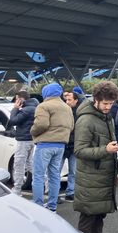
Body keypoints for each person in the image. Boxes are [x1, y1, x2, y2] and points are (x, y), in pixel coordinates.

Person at [73, 81, 118, 233]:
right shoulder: (86, 120)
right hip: (90, 179)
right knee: (88, 218)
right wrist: (106, 150)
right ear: (95, 99)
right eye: (105, 104)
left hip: (103, 176)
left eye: (111, 104)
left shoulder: (105, 117)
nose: (108, 107)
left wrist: (115, 171)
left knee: (98, 216)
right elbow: (79, 151)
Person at [30, 82, 74, 213]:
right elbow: (71, 126)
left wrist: (32, 131)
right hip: (60, 145)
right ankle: (52, 206)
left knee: (38, 176)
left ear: (46, 93)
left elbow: (41, 125)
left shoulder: (43, 106)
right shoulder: (67, 107)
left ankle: (38, 205)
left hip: (44, 145)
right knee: (54, 176)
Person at [8, 90, 38, 195]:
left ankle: (17, 190)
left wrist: (15, 108)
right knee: (30, 164)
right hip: (31, 139)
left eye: (17, 99)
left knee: (19, 164)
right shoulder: (34, 107)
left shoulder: (26, 110)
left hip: (24, 140)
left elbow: (13, 121)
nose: (16, 101)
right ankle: (45, 183)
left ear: (21, 99)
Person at [63, 92, 82, 201]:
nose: (67, 102)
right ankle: (54, 194)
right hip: (63, 145)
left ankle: (71, 192)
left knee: (73, 171)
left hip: (74, 145)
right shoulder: (63, 111)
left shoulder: (80, 113)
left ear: (76, 100)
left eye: (69, 99)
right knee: (56, 172)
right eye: (66, 99)